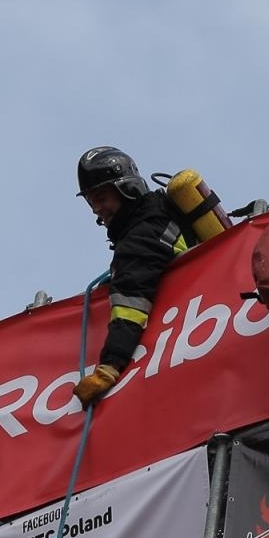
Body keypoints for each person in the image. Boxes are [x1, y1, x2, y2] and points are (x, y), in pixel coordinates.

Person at [71, 146, 188, 406]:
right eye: (91, 202)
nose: (96, 210)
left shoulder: (141, 237)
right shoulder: (160, 216)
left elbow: (130, 304)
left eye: (101, 198)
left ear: (127, 189)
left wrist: (109, 368)